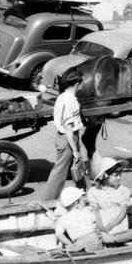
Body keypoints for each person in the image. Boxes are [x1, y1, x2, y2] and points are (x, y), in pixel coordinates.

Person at [42, 69, 85, 201]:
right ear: (77, 83)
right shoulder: (69, 101)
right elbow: (68, 128)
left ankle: (83, 195)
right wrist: (75, 150)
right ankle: (47, 202)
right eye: (82, 82)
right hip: (68, 139)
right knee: (59, 173)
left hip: (69, 137)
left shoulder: (63, 97)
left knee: (78, 169)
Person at [87, 156, 130, 234]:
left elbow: (122, 212)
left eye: (120, 174)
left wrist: (110, 226)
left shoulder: (123, 190)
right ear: (105, 176)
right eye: (115, 175)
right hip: (102, 224)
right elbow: (96, 212)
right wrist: (101, 226)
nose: (119, 178)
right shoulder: (94, 192)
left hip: (118, 224)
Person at [54, 187, 103, 253]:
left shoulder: (63, 219)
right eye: (82, 200)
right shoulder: (86, 212)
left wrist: (69, 243)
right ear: (77, 203)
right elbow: (96, 225)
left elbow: (59, 234)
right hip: (94, 239)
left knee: (76, 250)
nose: (85, 202)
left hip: (79, 243)